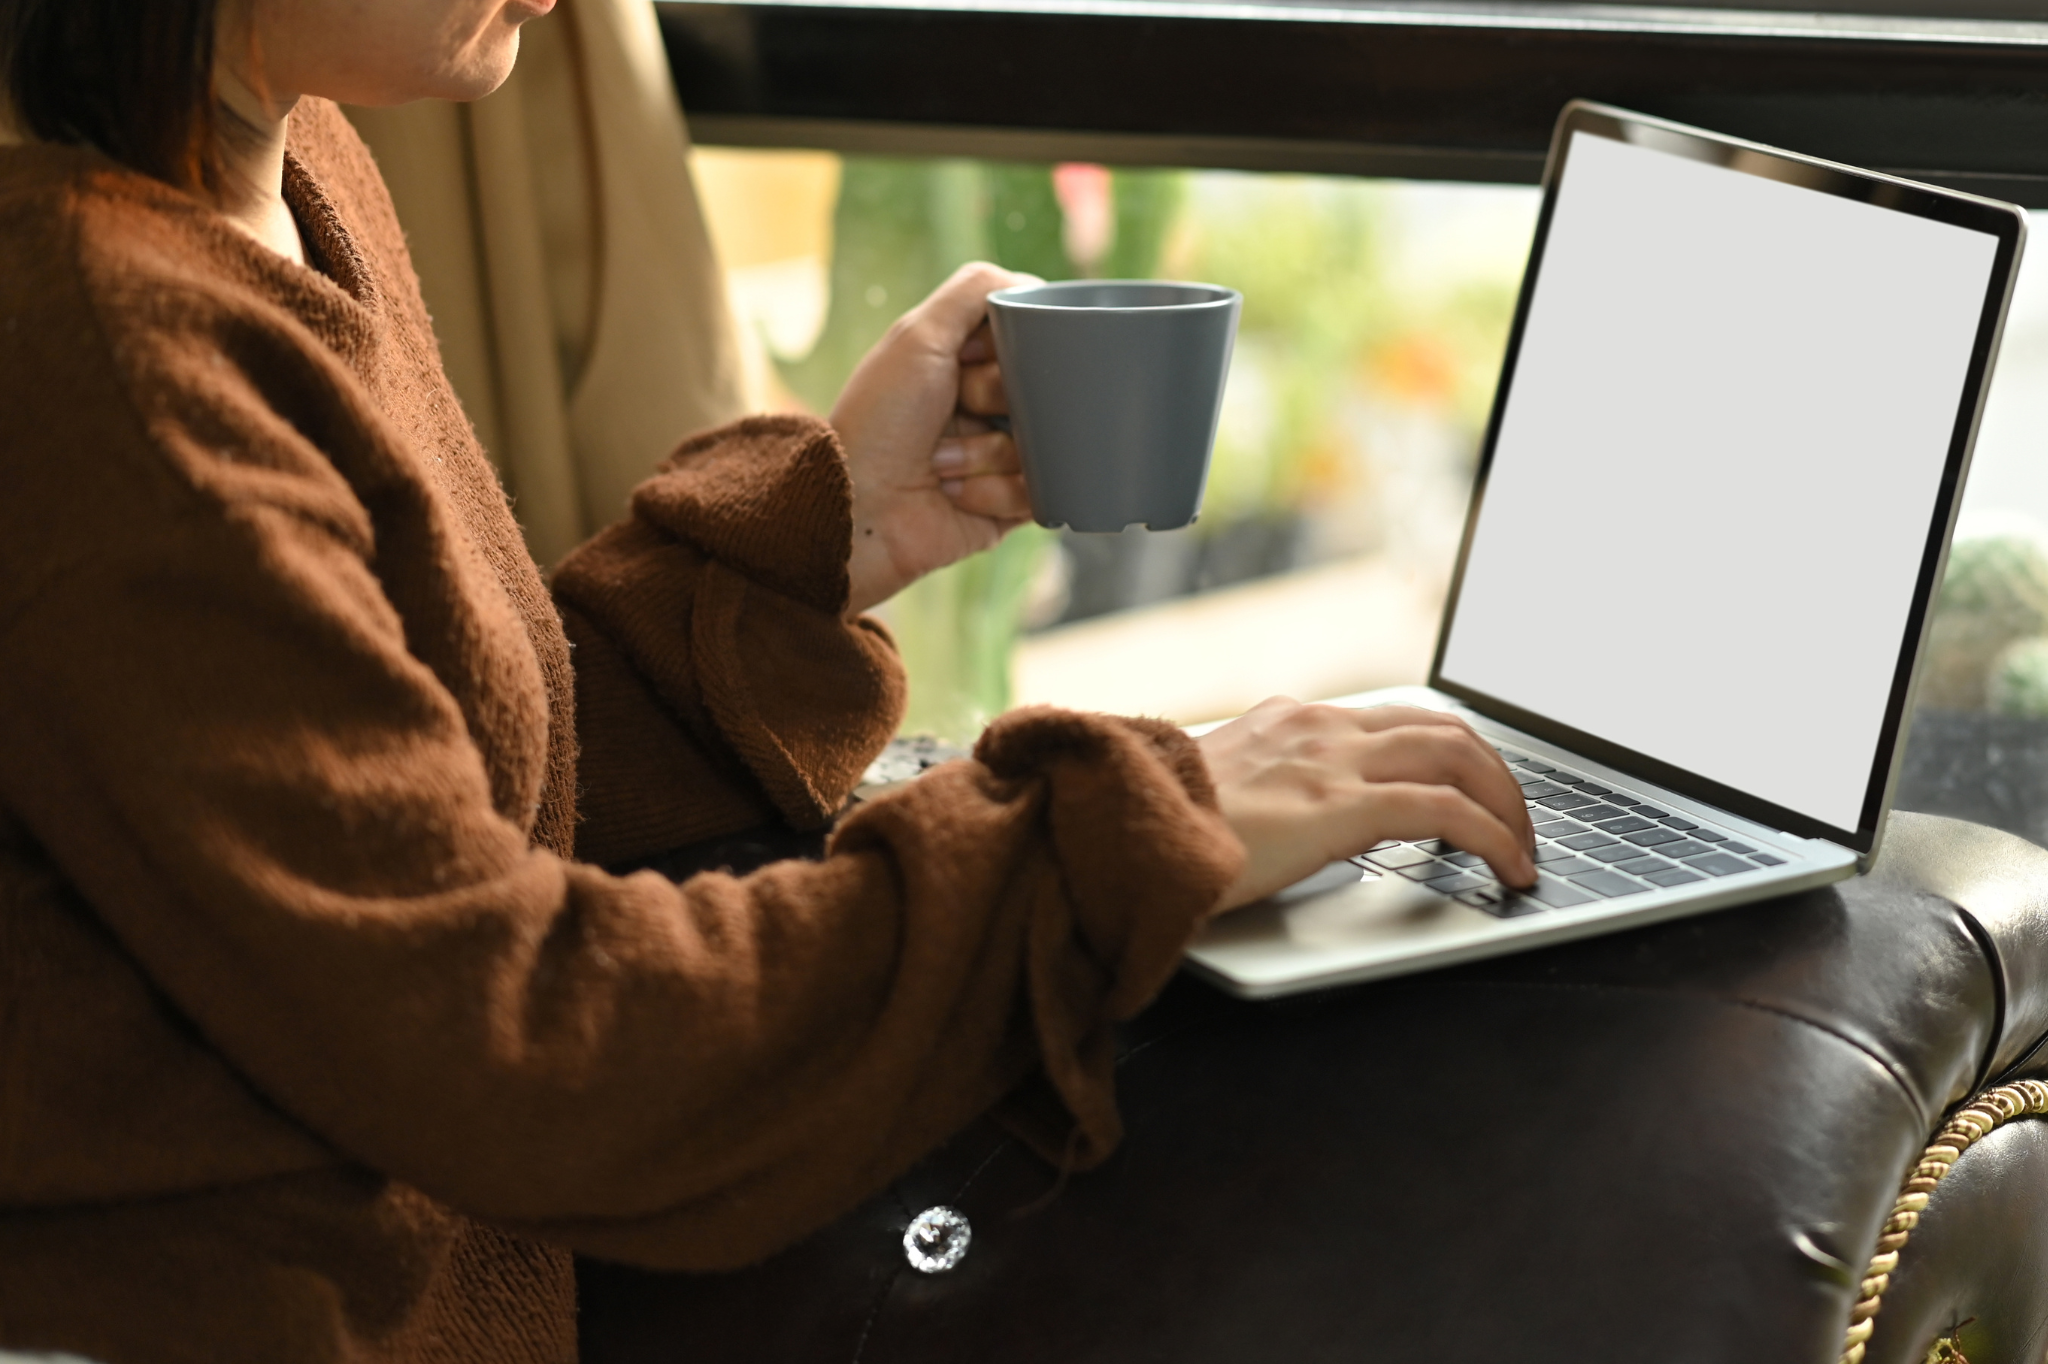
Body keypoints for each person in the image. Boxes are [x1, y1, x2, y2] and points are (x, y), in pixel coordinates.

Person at [0, 0, 1537, 1359]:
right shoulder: (102, 345)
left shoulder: (288, 164)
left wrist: (811, 551)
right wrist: (1115, 833)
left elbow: (425, 811)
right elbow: (524, 1046)